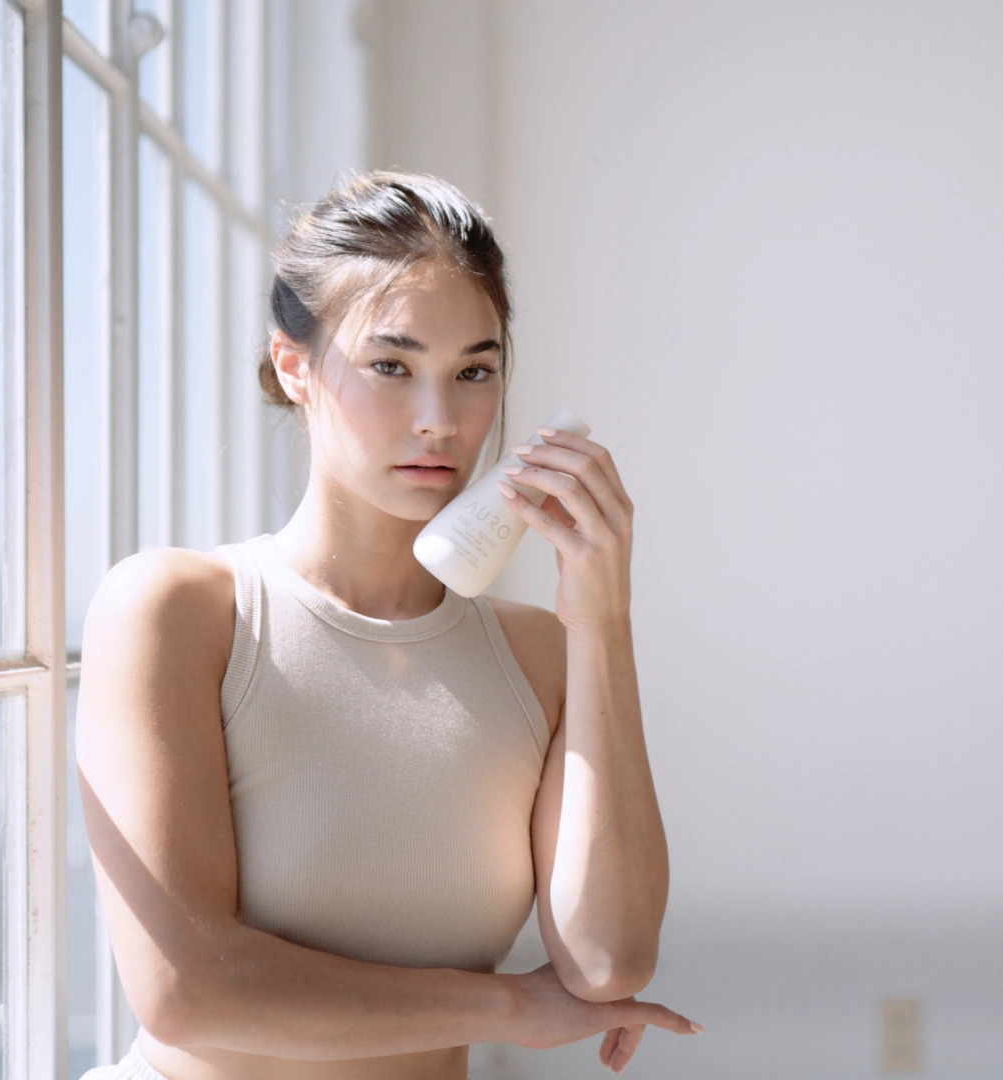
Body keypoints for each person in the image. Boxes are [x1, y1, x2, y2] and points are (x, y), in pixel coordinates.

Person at [74, 171, 699, 1080]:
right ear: (294, 365)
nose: (440, 421)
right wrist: (513, 1006)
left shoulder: (540, 655)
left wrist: (602, 614)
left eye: (473, 372)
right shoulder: (179, 612)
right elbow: (185, 987)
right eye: (391, 366)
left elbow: (608, 962)